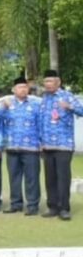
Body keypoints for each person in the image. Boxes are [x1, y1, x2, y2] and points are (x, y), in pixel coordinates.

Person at [38, 69, 82, 221]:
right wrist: (40, 141)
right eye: (46, 82)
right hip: (47, 145)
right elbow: (41, 121)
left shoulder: (68, 96)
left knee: (63, 177)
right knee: (50, 178)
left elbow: (81, 110)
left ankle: (64, 208)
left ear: (58, 82)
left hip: (63, 144)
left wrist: (69, 107)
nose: (48, 84)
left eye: (50, 81)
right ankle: (53, 207)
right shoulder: (44, 98)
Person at [0, 76, 42, 216]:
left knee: (32, 178)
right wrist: (2, 108)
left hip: (31, 147)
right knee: (14, 177)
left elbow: (40, 125)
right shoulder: (7, 104)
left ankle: (32, 205)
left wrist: (41, 142)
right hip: (12, 146)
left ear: (28, 89)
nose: (22, 90)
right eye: (19, 87)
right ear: (13, 89)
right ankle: (15, 204)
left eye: (25, 87)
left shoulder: (36, 105)